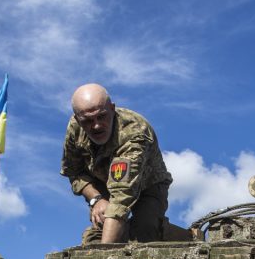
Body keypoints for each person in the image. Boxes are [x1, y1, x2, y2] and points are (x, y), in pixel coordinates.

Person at [61, 83, 173, 244]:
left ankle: (176, 236)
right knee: (94, 238)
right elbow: (74, 172)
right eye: (88, 121)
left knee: (144, 232)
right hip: (104, 185)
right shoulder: (74, 129)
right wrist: (96, 199)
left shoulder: (135, 132)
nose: (97, 125)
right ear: (77, 119)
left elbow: (121, 199)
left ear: (112, 109)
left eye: (102, 116)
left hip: (149, 185)